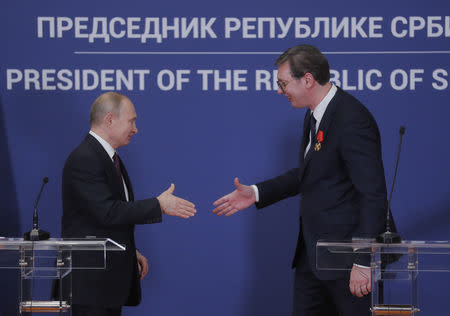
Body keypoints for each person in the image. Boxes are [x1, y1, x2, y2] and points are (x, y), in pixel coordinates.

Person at [212, 44, 388, 316]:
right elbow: (307, 174)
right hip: (313, 257)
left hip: (347, 264)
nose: (279, 91)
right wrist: (256, 193)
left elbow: (373, 194)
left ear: (307, 79)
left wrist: (363, 261)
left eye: (283, 84)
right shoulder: (314, 115)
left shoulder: (352, 119)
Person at [61, 92, 197, 316]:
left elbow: (102, 220)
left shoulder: (108, 157)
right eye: (132, 121)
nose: (136, 129)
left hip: (105, 283)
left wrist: (129, 252)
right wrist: (158, 205)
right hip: (90, 285)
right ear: (110, 119)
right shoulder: (85, 158)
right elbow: (107, 212)